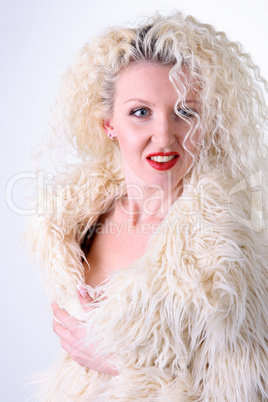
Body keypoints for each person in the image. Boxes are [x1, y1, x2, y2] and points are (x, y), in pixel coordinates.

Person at [26, 10, 268, 401]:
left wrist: (122, 363)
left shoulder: (226, 248)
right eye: (141, 112)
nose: (164, 136)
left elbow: (246, 389)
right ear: (109, 123)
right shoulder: (74, 224)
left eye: (185, 112)